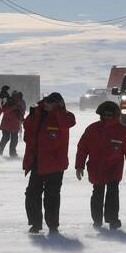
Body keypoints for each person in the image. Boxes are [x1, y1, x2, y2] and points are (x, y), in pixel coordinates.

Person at [75, 101, 126, 230]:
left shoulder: (123, 131)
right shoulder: (92, 129)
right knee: (97, 194)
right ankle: (97, 221)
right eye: (105, 114)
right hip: (96, 168)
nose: (107, 117)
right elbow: (82, 148)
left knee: (112, 194)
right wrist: (79, 166)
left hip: (113, 169)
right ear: (101, 115)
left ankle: (113, 220)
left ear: (115, 115)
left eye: (110, 115)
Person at [22, 92, 76, 234]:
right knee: (32, 194)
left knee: (52, 196)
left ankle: (53, 225)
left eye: (51, 102)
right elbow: (27, 132)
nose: (47, 105)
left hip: (55, 164)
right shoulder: (37, 114)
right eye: (46, 102)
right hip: (37, 162)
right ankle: (35, 223)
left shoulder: (65, 116)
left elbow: (67, 123)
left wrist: (57, 110)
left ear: (59, 104)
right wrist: (34, 113)